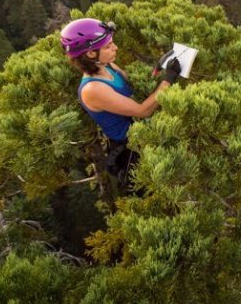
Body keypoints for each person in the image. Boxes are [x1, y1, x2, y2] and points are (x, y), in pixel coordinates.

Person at [60, 18, 181, 190]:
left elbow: (130, 86)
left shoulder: (105, 65)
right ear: (90, 54)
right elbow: (143, 111)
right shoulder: (92, 89)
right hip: (133, 149)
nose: (115, 48)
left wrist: (159, 68)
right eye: (108, 46)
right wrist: (168, 80)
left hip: (143, 135)